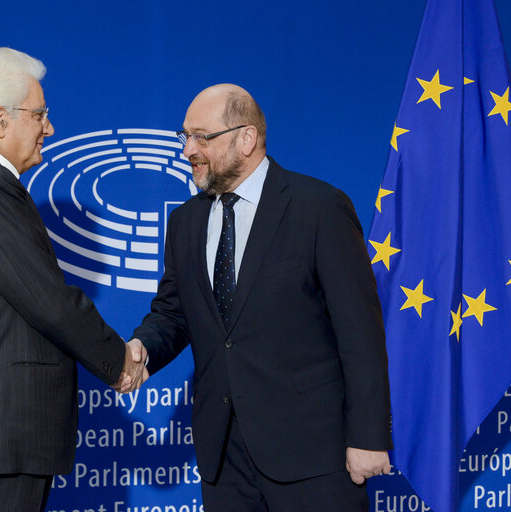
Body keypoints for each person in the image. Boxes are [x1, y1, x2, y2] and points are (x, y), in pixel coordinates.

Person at [130, 84, 392, 511]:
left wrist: (368, 436)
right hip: (224, 457)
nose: (187, 150)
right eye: (185, 137)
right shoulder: (185, 222)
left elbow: (359, 332)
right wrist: (143, 348)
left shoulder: (318, 207)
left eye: (201, 137)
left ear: (246, 138)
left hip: (313, 455)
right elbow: (174, 313)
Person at [0, 47, 146, 512]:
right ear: (0, 119)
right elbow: (46, 299)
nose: (49, 128)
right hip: (2, 434)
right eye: (40, 114)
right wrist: (117, 358)